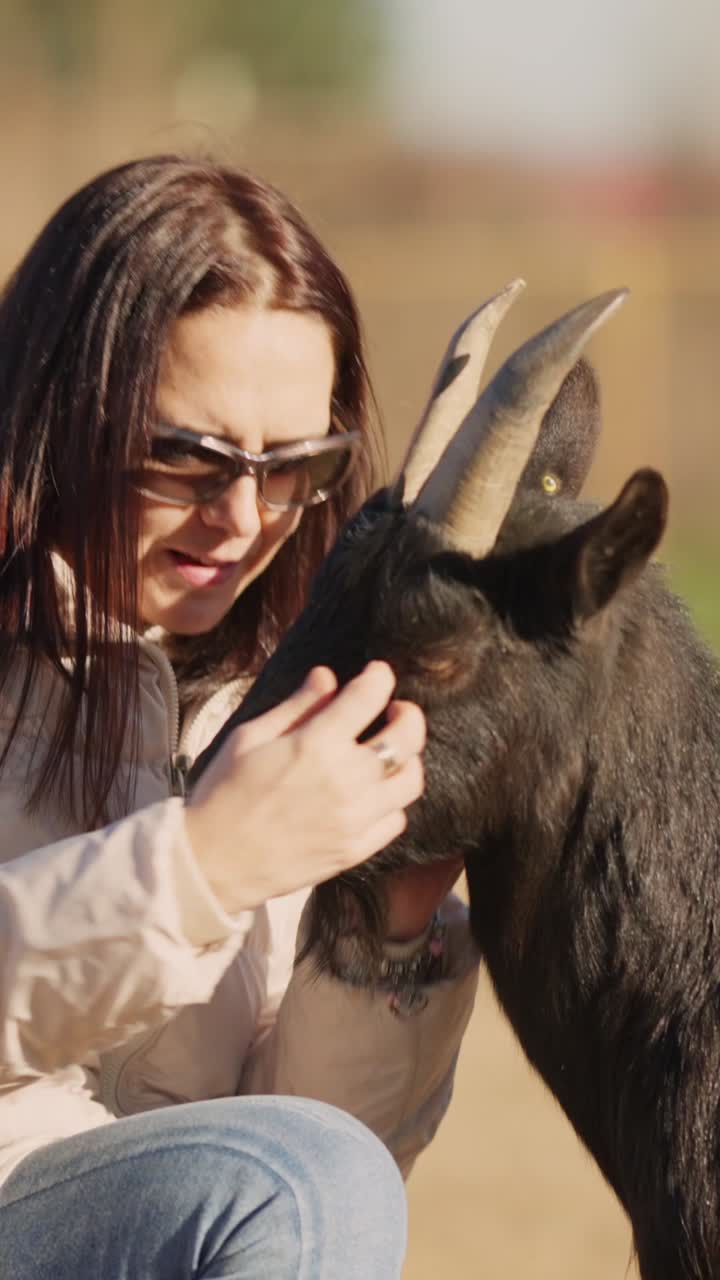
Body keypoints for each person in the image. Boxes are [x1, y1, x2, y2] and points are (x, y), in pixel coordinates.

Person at [0, 156, 479, 1279]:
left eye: (293, 464)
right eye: (187, 454)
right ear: (57, 406)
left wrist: (385, 931)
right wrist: (202, 863)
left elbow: (293, 1185)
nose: (243, 515)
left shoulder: (276, 713)